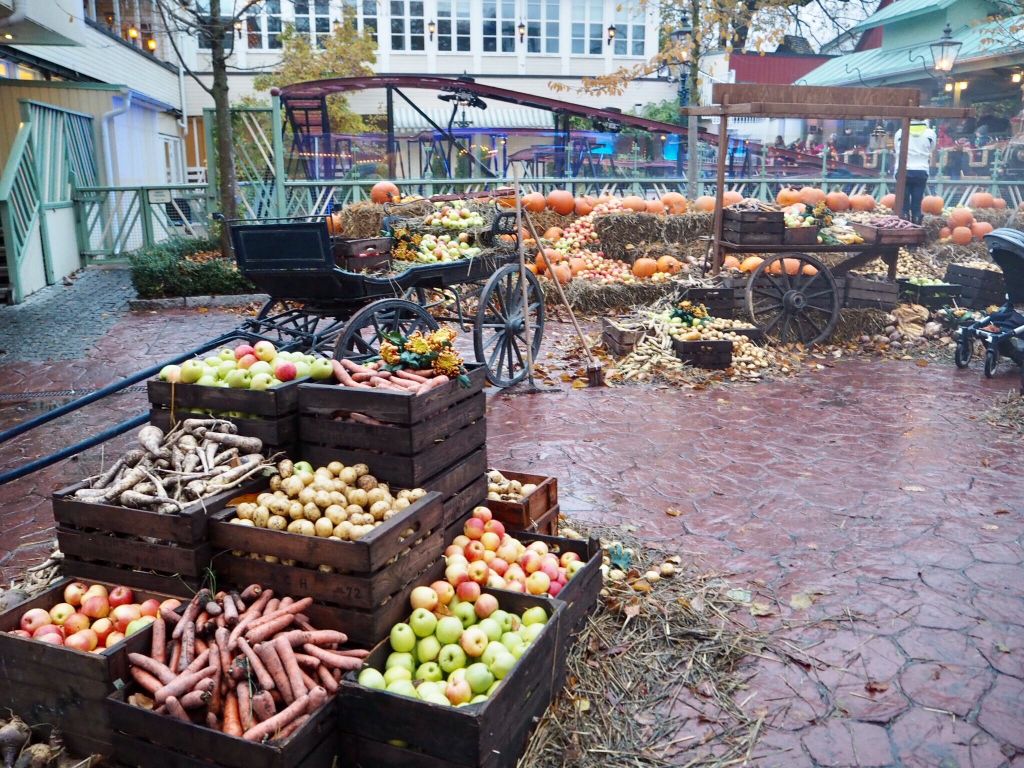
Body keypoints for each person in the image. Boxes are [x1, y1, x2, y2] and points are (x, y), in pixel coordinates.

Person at [893, 118, 937, 224]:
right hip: (921, 170)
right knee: (917, 202)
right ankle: (916, 221)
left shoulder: (900, 133)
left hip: (903, 171)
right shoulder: (930, 134)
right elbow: (931, 148)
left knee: (904, 203)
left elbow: (896, 149)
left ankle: (904, 222)